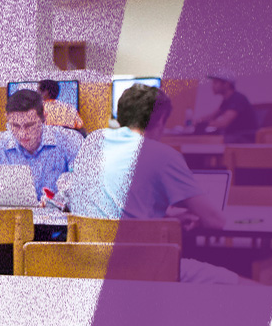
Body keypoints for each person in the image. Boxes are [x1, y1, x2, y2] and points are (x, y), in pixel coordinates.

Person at [60, 85, 238, 283]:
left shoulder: (93, 141)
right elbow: (216, 221)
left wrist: (166, 216)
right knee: (240, 284)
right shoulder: (164, 156)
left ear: (120, 116)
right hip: (139, 270)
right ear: (161, 120)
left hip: (86, 268)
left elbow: (112, 204)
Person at [197, 72, 259, 140]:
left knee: (210, 141)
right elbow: (212, 116)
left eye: (215, 83)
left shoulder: (238, 99)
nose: (212, 86)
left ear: (226, 84)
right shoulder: (226, 101)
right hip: (234, 136)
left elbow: (223, 123)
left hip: (244, 138)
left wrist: (202, 125)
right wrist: (197, 121)